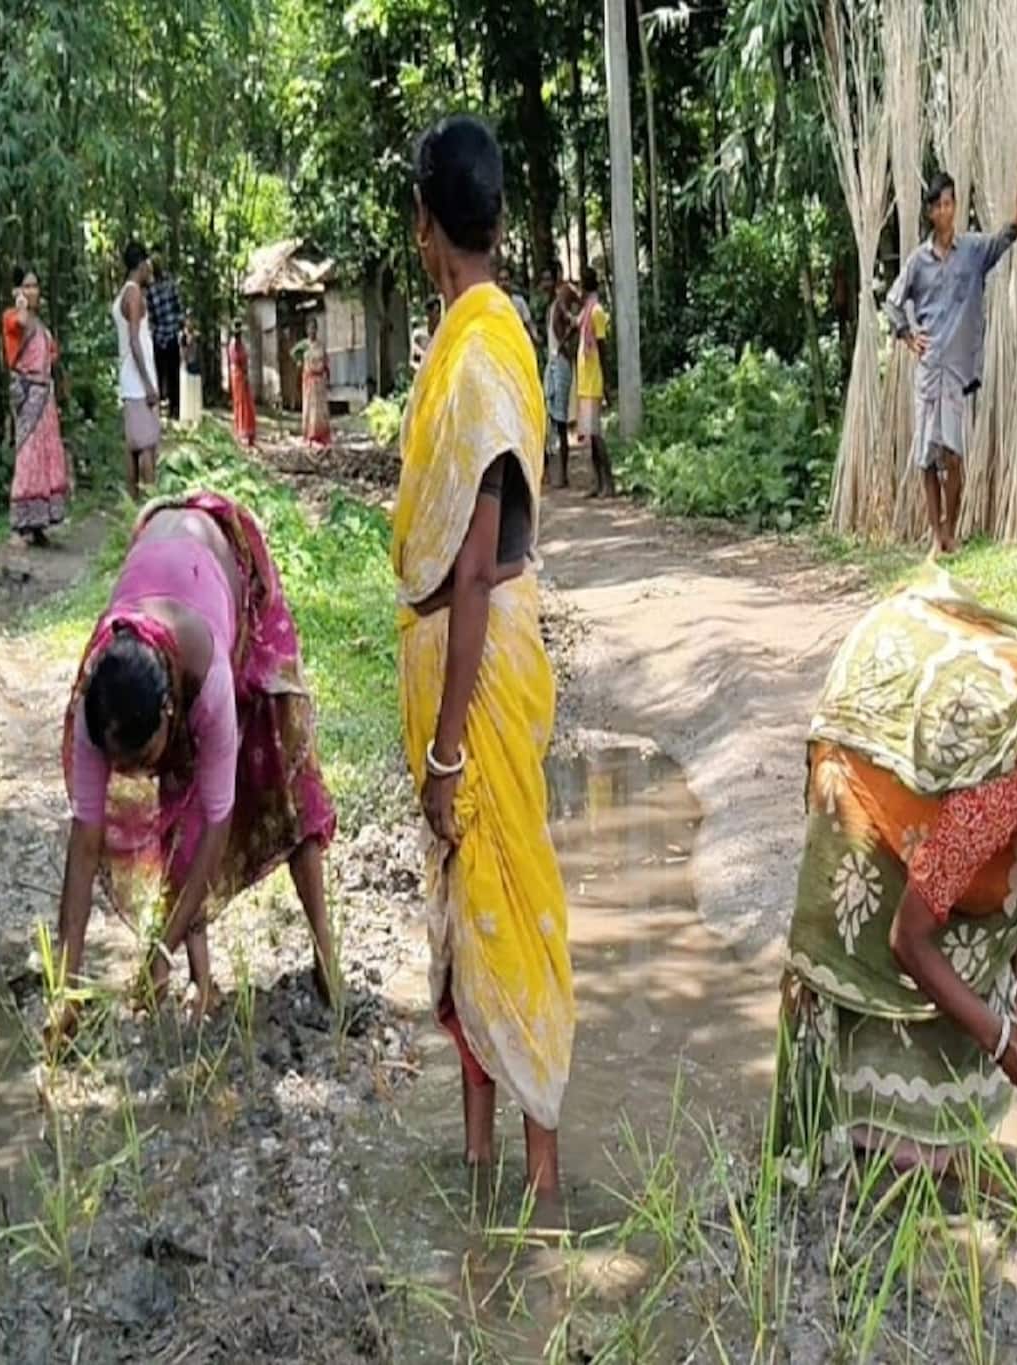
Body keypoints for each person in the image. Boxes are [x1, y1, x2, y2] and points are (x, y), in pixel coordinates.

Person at [776, 567, 1017, 1182]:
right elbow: (907, 938)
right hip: (866, 780)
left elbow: (1015, 879)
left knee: (971, 952)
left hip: (954, 816)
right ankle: (873, 1138)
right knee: (876, 954)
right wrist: (999, 1040)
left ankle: (925, 1144)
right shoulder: (991, 799)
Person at [392, 115, 570, 1208]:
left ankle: (540, 1180)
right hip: (465, 662)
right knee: (469, 913)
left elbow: (469, 571)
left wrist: (449, 752)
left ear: (425, 224)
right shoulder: (484, 336)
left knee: (511, 899)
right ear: (495, 220)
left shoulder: (476, 362)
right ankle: (474, 1167)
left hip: (478, 670)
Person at [49, 491, 340, 1042]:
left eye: (139, 758)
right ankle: (199, 981)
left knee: (286, 778)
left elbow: (215, 821)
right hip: (163, 547)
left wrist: (161, 944)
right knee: (171, 800)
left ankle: (326, 953)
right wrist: (66, 983)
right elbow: (84, 843)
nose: (131, 772)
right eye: (121, 763)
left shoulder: (207, 676)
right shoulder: (99, 699)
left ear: (169, 710)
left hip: (230, 569)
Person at [882, 170, 1017, 557]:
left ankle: (950, 527)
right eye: (940, 205)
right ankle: (936, 535)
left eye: (951, 204)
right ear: (931, 212)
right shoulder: (918, 262)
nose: (947, 211)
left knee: (954, 454)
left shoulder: (974, 251)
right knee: (926, 456)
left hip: (956, 371)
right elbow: (892, 301)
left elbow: (1009, 233)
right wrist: (907, 335)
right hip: (929, 368)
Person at [3, 267, 69, 546]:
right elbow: (17, 326)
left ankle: (40, 522)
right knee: (28, 454)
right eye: (26, 286)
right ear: (17, 290)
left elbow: (52, 357)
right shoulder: (12, 317)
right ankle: (21, 524)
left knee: (46, 455)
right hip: (28, 393)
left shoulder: (41, 326)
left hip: (45, 394)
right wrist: (20, 307)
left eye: (35, 286)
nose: (32, 291)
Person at [115, 242, 162, 496]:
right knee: (146, 446)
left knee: (133, 446)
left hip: (128, 378)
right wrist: (148, 384)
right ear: (142, 264)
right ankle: (149, 502)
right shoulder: (133, 294)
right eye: (148, 264)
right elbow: (135, 340)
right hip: (137, 380)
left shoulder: (123, 292)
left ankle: (133, 505)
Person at [572, 267, 613, 498]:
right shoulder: (586, 312)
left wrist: (606, 383)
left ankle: (609, 482)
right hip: (586, 382)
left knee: (596, 434)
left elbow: (602, 348)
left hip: (594, 380)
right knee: (590, 435)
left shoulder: (596, 312)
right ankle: (598, 483)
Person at [542, 277, 579, 488]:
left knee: (560, 420)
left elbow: (573, 320)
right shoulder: (553, 307)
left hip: (559, 362)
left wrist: (562, 344)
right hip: (555, 361)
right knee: (554, 418)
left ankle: (562, 475)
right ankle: (557, 473)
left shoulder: (561, 302)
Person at [146, 259, 186, 424]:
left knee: (165, 373)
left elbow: (152, 317)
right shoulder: (161, 287)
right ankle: (170, 408)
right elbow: (179, 309)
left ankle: (171, 408)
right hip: (165, 335)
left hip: (163, 336)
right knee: (168, 373)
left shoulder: (157, 288)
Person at [299, 318, 332, 449]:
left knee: (320, 409)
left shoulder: (320, 345)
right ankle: (310, 435)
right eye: (310, 328)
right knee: (309, 408)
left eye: (314, 328)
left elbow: (326, 363)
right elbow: (299, 361)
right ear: (307, 330)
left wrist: (327, 378)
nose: (312, 331)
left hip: (320, 381)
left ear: (317, 330)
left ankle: (321, 435)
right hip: (309, 380)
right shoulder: (303, 346)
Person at [227, 322, 257, 448]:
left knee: (247, 402)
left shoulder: (242, 344)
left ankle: (249, 431)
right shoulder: (233, 345)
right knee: (240, 402)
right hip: (238, 375)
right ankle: (241, 431)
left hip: (243, 375)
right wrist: (243, 374)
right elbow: (237, 361)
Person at [180, 320, 204, 428]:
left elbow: (199, 352)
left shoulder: (197, 336)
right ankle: (186, 418)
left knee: (196, 394)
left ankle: (196, 418)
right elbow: (182, 351)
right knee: (186, 394)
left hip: (196, 367)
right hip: (187, 367)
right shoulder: (183, 336)